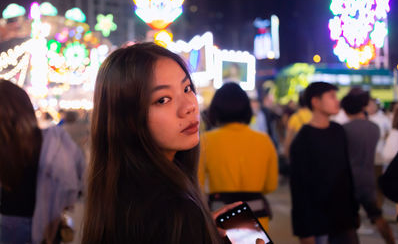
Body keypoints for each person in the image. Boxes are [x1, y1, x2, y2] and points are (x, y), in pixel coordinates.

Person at [81, 43, 265, 244]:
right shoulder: (175, 209)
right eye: (163, 99)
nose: (189, 107)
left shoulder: (120, 194)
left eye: (187, 88)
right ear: (128, 119)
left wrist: (203, 232)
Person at [0, 80, 85, 244]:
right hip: (45, 223)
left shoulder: (10, 145)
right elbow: (72, 184)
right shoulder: (50, 141)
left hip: (15, 225)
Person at [198, 82, 278, 230]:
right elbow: (271, 184)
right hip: (256, 216)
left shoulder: (205, 141)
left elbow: (198, 184)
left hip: (221, 215)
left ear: (216, 109)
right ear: (246, 109)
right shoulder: (264, 140)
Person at [289, 82, 359, 244]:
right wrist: (304, 231)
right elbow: (299, 189)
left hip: (344, 219)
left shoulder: (338, 131)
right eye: (332, 97)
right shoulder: (303, 140)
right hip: (318, 223)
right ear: (315, 102)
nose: (337, 101)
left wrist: (353, 212)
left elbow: (346, 174)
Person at [341, 92, 394, 244]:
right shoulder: (373, 128)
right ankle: (390, 241)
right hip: (368, 177)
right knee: (377, 215)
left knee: (350, 218)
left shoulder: (343, 129)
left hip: (349, 180)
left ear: (345, 110)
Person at [283, 91, 312, 158]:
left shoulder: (294, 118)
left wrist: (287, 155)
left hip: (300, 154)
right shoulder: (315, 116)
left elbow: (288, 140)